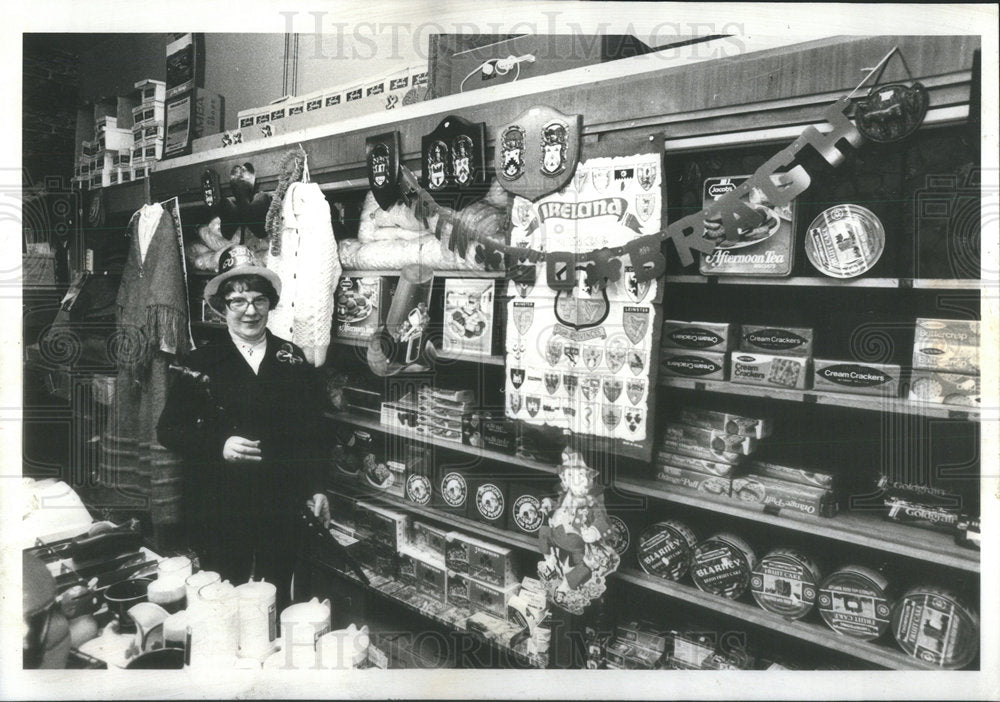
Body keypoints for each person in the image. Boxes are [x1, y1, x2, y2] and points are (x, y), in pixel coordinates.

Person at [157, 245, 328, 608]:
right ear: (222, 307)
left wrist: (315, 487)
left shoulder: (291, 358)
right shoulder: (200, 361)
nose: (250, 311)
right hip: (220, 505)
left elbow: (311, 431)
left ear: (271, 303)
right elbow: (169, 430)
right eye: (238, 301)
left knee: (276, 592)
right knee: (225, 596)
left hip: (280, 503)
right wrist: (219, 444)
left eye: (259, 300)